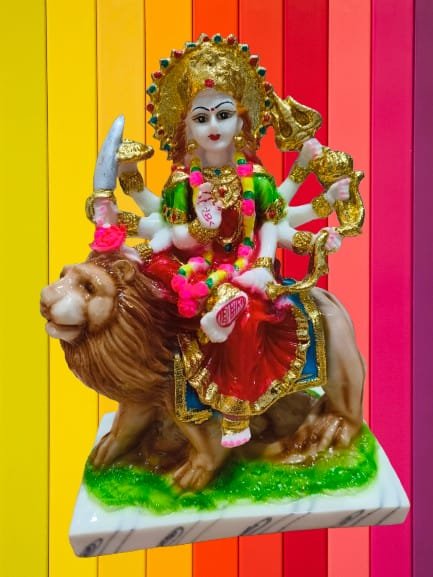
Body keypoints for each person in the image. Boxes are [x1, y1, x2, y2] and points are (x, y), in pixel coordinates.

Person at [90, 34, 353, 448]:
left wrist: (264, 265)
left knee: (248, 317)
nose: (214, 127)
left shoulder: (256, 179)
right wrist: (202, 227)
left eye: (224, 115)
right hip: (197, 267)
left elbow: (270, 224)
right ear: (187, 129)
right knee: (148, 290)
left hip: (248, 269)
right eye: (201, 118)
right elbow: (177, 236)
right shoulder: (182, 183)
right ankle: (153, 391)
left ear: (242, 122)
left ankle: (235, 413)